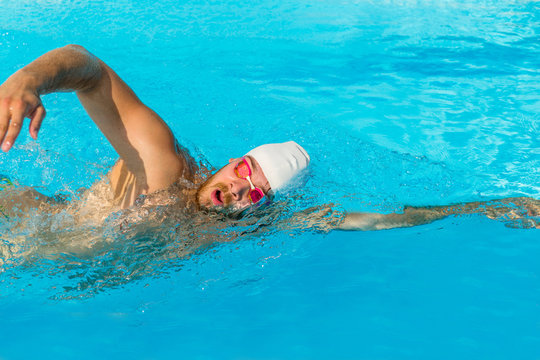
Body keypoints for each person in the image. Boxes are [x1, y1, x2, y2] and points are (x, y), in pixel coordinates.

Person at [0, 45, 538, 230]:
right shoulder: (163, 164)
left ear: (261, 207)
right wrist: (27, 80)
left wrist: (482, 209)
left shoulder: (242, 229)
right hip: (19, 222)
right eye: (243, 174)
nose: (237, 191)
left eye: (255, 194)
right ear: (233, 162)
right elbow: (90, 70)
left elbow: (377, 219)